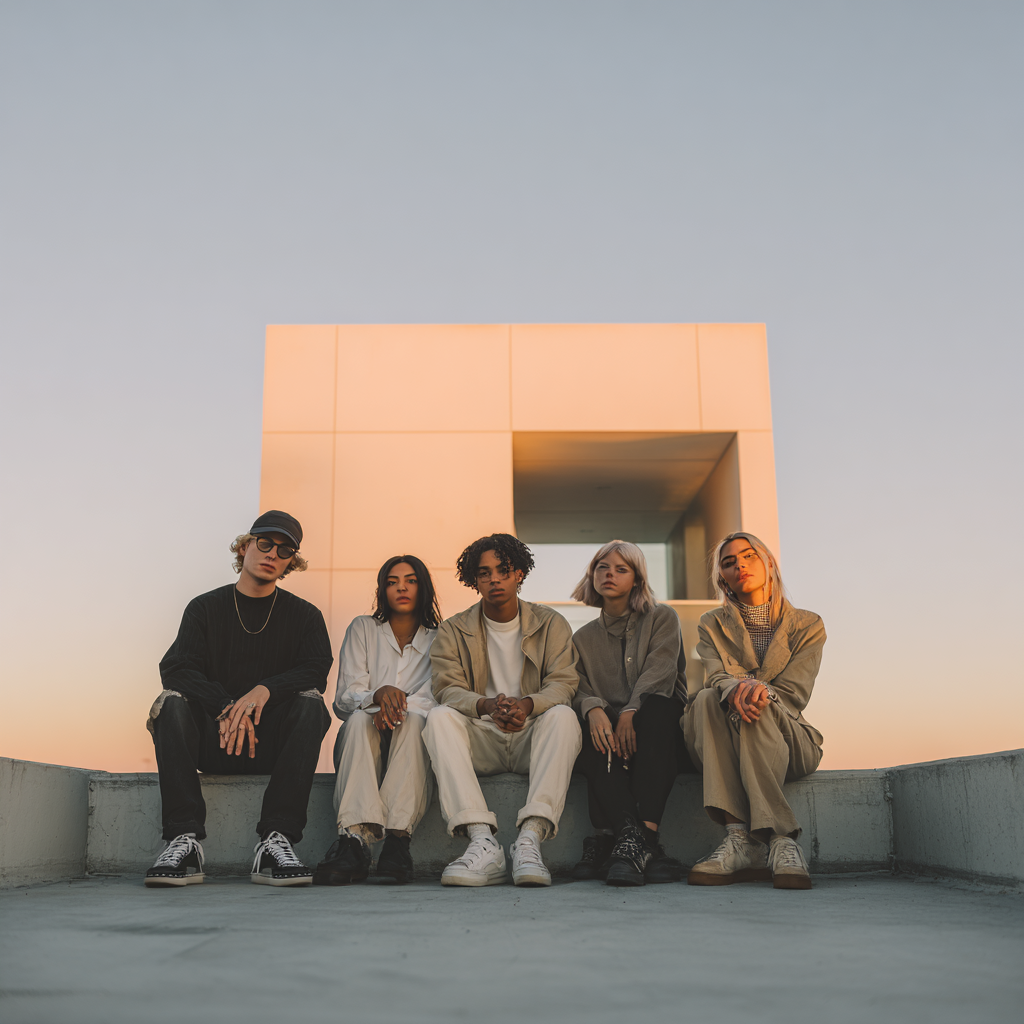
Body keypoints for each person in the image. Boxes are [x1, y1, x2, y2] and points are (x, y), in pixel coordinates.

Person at [145, 510, 332, 888]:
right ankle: (184, 840)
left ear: (291, 562)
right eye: (264, 544)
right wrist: (227, 706)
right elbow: (177, 667)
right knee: (171, 702)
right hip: (213, 741)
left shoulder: (305, 616)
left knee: (312, 704)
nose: (272, 555)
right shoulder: (204, 608)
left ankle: (275, 840)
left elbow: (316, 669)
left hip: (272, 746)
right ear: (245, 547)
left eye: (284, 551)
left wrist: (263, 691)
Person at [423, 533, 581, 887]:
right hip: (483, 736)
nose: (494, 579)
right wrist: (487, 705)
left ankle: (530, 839)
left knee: (563, 716)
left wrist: (527, 704)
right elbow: (446, 688)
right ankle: (482, 841)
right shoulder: (454, 629)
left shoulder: (550, 623)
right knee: (439, 717)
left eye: (503, 570)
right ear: (474, 580)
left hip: (532, 735)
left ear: (519, 573)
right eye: (484, 573)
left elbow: (564, 682)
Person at [683, 532, 825, 890]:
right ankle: (738, 838)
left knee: (758, 704)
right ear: (722, 578)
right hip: (725, 738)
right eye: (729, 563)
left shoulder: (808, 624)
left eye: (748, 557)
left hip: (789, 739)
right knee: (704, 699)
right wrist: (738, 689)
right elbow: (716, 675)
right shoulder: (711, 624)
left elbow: (793, 694)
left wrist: (757, 691)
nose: (739, 565)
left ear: (768, 564)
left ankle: (780, 838)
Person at [313, 555, 442, 885]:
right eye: (392, 581)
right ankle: (352, 841)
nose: (401, 587)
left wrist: (396, 706)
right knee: (356, 721)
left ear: (423, 587)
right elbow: (344, 698)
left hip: (411, 736)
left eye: (411, 580)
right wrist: (377, 697)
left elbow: (436, 697)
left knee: (415, 721)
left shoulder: (440, 638)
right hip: (365, 732)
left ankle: (397, 842)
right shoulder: (362, 628)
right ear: (382, 589)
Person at [570, 540, 688, 886]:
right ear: (592, 576)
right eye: (602, 568)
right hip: (610, 744)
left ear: (637, 579)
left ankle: (630, 839)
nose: (610, 574)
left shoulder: (663, 617)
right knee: (591, 724)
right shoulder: (582, 638)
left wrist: (631, 709)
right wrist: (593, 708)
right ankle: (631, 840)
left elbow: (661, 673)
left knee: (657, 710)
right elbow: (574, 685)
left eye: (622, 569)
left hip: (661, 737)